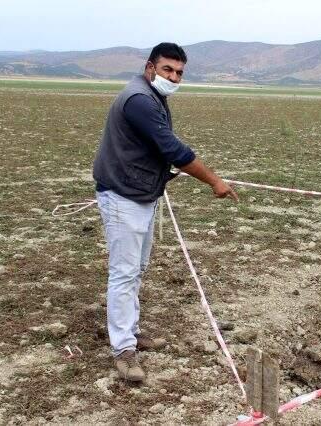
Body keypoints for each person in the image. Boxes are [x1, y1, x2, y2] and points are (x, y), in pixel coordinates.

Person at [93, 42, 238, 382]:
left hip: (140, 192)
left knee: (137, 268)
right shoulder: (140, 100)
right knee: (124, 273)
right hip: (123, 194)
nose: (173, 77)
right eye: (167, 70)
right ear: (150, 68)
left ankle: (132, 332)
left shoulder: (151, 96)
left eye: (179, 73)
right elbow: (172, 148)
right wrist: (214, 181)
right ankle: (123, 351)